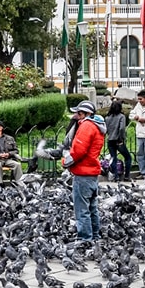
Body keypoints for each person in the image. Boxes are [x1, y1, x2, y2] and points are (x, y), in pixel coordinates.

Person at [63, 100, 105, 248]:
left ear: (87, 114)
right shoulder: (97, 126)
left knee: (82, 209)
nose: (77, 116)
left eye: (79, 113)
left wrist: (65, 161)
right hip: (92, 173)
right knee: (92, 208)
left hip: (83, 173)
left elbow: (79, 151)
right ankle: (95, 236)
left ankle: (85, 239)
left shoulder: (87, 126)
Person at [103, 100, 133, 181]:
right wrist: (121, 138)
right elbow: (122, 128)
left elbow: (105, 129)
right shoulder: (121, 116)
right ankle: (126, 176)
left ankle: (115, 176)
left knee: (113, 158)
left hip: (110, 140)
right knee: (128, 157)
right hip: (118, 140)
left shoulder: (107, 118)